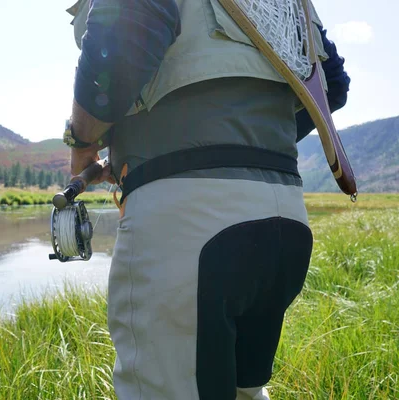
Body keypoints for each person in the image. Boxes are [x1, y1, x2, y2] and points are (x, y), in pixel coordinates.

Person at [61, 1, 350, 399]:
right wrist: (243, 143)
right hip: (286, 218)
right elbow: (332, 85)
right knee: (245, 391)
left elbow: (127, 26)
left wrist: (82, 143)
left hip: (189, 226)